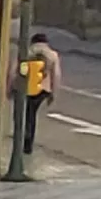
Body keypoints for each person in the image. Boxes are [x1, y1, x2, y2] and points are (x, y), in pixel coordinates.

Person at [11, 29, 64, 176]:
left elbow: (13, 70)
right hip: (42, 89)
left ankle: (21, 141)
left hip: (24, 88)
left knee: (22, 115)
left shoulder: (25, 52)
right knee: (32, 115)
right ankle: (28, 144)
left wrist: (10, 87)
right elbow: (56, 75)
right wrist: (53, 93)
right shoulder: (52, 55)